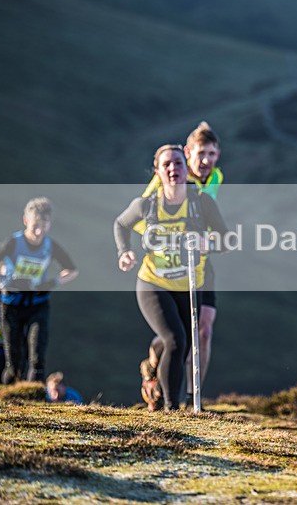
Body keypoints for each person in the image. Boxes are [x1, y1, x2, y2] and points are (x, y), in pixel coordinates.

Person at [114, 144, 229, 411]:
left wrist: (207, 243)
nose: (172, 169)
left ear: (185, 167)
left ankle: (158, 389)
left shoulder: (201, 202)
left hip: (191, 284)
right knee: (176, 340)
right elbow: (121, 224)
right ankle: (171, 408)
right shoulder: (147, 205)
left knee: (185, 344)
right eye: (166, 164)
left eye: (178, 163)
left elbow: (226, 239)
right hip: (153, 283)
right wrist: (125, 252)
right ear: (157, 171)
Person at [0, 198, 79, 384]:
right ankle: (11, 400)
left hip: (37, 305)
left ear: (50, 224)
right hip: (11, 306)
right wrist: (2, 282)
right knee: (14, 361)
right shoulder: (13, 243)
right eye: (35, 226)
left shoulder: (50, 245)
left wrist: (51, 283)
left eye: (45, 225)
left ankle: (33, 400)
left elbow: (72, 270)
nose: (39, 231)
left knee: (37, 357)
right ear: (26, 221)